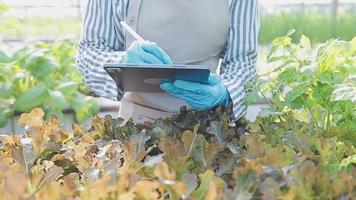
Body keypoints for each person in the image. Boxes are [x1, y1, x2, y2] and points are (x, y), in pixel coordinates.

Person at [76, 0, 260, 123]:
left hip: (207, 129)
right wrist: (121, 63)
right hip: (137, 130)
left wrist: (224, 94)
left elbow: (242, 60)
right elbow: (90, 53)